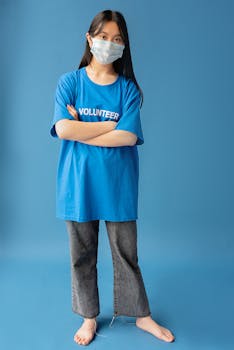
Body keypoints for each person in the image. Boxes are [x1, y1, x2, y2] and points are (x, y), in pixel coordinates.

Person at [50, 9, 175, 346]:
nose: (109, 44)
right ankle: (89, 317)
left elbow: (128, 137)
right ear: (89, 39)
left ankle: (141, 315)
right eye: (103, 37)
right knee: (82, 254)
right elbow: (63, 129)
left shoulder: (127, 89)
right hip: (79, 185)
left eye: (117, 39)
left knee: (126, 253)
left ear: (124, 46)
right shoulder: (70, 83)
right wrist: (109, 125)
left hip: (118, 184)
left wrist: (84, 130)